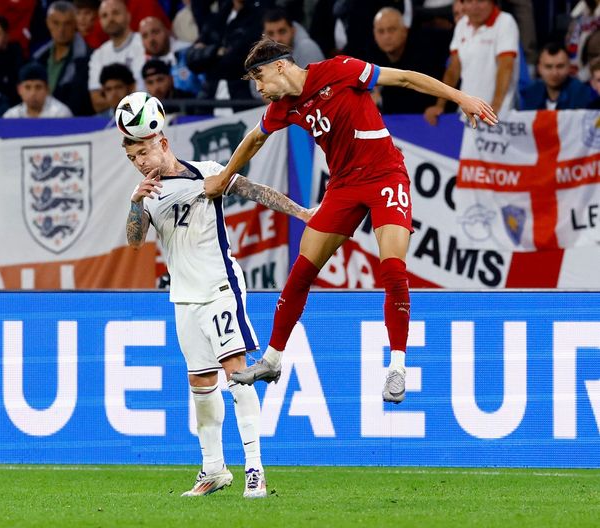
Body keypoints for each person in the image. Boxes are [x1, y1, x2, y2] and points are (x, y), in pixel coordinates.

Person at [203, 37, 497, 403]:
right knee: (301, 271)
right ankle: (273, 359)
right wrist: (226, 176)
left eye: (259, 77)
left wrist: (460, 97)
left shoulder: (340, 70)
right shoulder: (283, 107)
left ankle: (397, 368)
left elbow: (404, 78)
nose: (259, 88)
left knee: (392, 268)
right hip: (343, 187)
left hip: (385, 176)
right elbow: (253, 140)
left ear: (281, 65)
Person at [123, 129, 311, 498]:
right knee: (201, 387)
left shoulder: (207, 172)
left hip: (219, 290)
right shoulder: (148, 197)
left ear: (162, 142)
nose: (141, 162)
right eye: (133, 158)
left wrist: (303, 212)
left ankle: (255, 470)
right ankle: (214, 469)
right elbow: (134, 242)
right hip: (184, 298)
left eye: (144, 151)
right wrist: (134, 202)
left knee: (237, 375)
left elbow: (255, 191)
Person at [424, 0, 518, 125]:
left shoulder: (505, 22)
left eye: (480, 1)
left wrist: (495, 107)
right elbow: (453, 70)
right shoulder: (462, 25)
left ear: (492, 2)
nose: (474, 6)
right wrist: (440, 105)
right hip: (466, 114)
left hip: (498, 115)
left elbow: (506, 67)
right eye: (469, 1)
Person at [371, 7, 450, 114]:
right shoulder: (370, 58)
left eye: (392, 30)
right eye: (381, 31)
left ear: (405, 31)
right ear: (374, 34)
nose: (386, 36)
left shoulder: (426, 52)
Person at [33, 0, 94, 116]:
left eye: (67, 24)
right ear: (48, 23)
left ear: (75, 24)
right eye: (56, 23)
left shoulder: (88, 59)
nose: (61, 30)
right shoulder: (38, 58)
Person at [88, 0, 145, 113]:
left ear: (128, 16)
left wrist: (112, 98)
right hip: (110, 117)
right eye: (105, 15)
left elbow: (144, 92)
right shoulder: (98, 55)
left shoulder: (143, 44)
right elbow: (96, 101)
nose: (110, 19)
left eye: (116, 13)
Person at [520, 42, 593, 110]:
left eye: (560, 66)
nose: (554, 73)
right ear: (539, 68)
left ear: (569, 67)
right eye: (548, 67)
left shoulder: (581, 93)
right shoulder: (531, 93)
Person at [3, 62, 73, 118]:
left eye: (38, 87)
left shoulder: (60, 114)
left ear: (47, 89)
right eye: (27, 87)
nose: (33, 93)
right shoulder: (12, 116)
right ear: (19, 90)